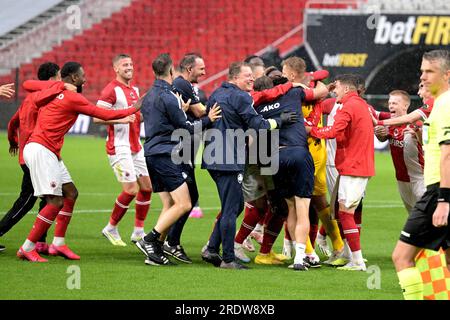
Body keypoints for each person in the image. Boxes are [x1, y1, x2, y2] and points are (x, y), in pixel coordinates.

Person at [18, 61, 142, 262]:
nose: (86, 78)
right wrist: (133, 109)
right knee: (55, 201)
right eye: (83, 75)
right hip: (41, 149)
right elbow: (101, 113)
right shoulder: (73, 98)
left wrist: (58, 86)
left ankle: (58, 244)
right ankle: (27, 247)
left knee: (71, 193)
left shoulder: (53, 88)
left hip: (48, 150)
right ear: (74, 78)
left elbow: (27, 84)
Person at [200, 61, 298, 270]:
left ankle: (211, 248)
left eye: (252, 77)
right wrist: (280, 120)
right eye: (247, 77)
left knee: (234, 206)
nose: (251, 80)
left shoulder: (217, 94)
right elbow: (259, 125)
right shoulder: (241, 96)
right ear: (235, 78)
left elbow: (209, 121)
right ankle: (227, 258)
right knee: (230, 208)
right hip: (229, 159)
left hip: (213, 156)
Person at [135, 53, 221, 266]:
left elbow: (151, 117)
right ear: (172, 71)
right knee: (184, 203)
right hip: (167, 154)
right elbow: (188, 128)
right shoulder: (169, 95)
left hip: (151, 152)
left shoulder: (150, 95)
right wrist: (209, 120)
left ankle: (156, 249)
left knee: (170, 203)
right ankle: (150, 240)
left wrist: (179, 112)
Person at [392, 49, 450, 300]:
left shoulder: (446, 104)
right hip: (439, 189)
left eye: (429, 71)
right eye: (422, 71)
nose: (423, 77)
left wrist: (444, 200)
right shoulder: (440, 104)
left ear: (447, 75)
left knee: (402, 257)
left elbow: (448, 153)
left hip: (439, 190)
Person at [307, 73, 375, 271]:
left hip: (354, 167)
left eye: (336, 87)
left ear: (346, 88)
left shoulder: (348, 106)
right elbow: (346, 133)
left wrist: (309, 130)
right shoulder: (360, 104)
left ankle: (358, 261)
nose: (333, 90)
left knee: (346, 212)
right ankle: (347, 255)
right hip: (355, 165)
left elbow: (332, 132)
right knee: (342, 211)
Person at [281, 56, 343, 267]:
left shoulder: (295, 96)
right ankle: (338, 246)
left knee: (295, 206)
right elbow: (323, 78)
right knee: (318, 202)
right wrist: (311, 79)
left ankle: (308, 252)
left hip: (302, 153)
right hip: (315, 152)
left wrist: (303, 80)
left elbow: (322, 79)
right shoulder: (315, 96)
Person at [1, 63, 63, 254]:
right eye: (59, 76)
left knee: (49, 196)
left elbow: (13, 123)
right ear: (52, 79)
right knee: (28, 200)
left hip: (27, 155)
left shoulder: (29, 98)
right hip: (36, 156)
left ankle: (40, 241)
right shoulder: (45, 99)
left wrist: (12, 141)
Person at [95, 54, 152, 246]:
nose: (129, 67)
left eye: (131, 64)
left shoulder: (134, 90)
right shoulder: (110, 90)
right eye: (124, 64)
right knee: (130, 190)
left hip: (136, 145)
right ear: (116, 69)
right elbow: (97, 117)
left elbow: (137, 117)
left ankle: (138, 231)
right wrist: (120, 119)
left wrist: (150, 110)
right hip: (119, 147)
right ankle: (110, 227)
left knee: (147, 188)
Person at [162, 53, 207, 263]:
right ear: (189, 69)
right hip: (178, 148)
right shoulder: (182, 84)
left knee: (182, 199)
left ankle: (165, 241)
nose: (204, 72)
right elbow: (199, 112)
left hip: (184, 148)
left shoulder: (184, 85)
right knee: (186, 198)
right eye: (201, 68)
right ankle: (164, 241)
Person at [375, 90, 425, 213]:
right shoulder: (391, 124)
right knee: (413, 216)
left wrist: (418, 132)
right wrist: (380, 135)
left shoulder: (415, 123)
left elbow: (425, 143)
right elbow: (383, 139)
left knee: (427, 216)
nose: (391, 106)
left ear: (405, 106)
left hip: (419, 179)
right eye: (389, 103)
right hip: (401, 179)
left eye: (395, 103)